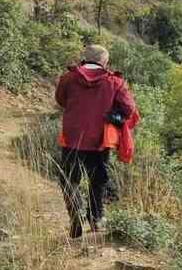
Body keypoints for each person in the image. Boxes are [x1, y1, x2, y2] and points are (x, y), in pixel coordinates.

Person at [54, 44, 136, 241]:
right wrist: (113, 115)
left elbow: (60, 100)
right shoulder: (115, 82)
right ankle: (96, 218)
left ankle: (74, 215)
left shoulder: (68, 78)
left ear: (85, 58)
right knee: (97, 180)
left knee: (70, 179)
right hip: (99, 140)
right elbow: (129, 108)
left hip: (71, 137)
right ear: (104, 61)